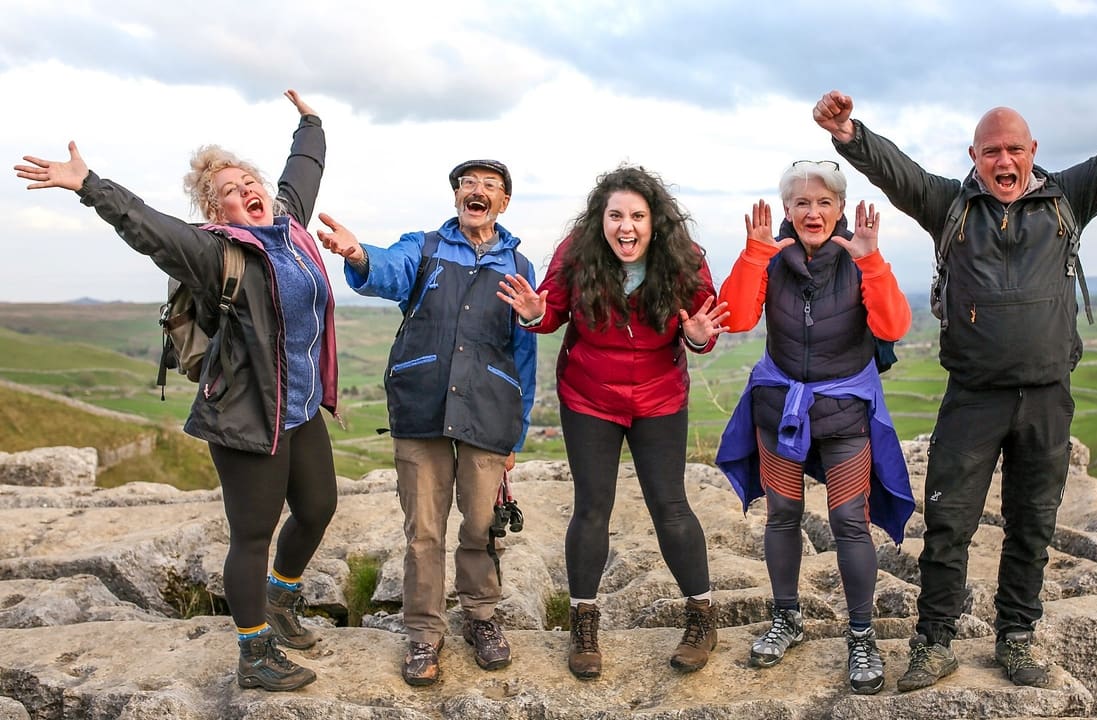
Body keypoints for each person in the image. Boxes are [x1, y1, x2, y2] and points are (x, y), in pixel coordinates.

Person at [812, 46, 1097, 691]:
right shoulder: (949, 207)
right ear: (974, 158)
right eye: (991, 151)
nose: (1004, 161)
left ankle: (1017, 637)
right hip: (973, 396)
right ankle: (935, 642)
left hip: (1047, 396)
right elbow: (898, 173)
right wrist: (850, 134)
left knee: (1032, 525)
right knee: (949, 522)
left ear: (1033, 150)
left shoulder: (1069, 197)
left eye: (1014, 150)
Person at [14, 91, 339, 692]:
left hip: (297, 408)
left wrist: (312, 122)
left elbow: (304, 168)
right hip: (245, 415)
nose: (244, 192)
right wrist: (89, 185)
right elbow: (148, 229)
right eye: (226, 194)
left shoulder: (289, 225)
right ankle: (254, 654)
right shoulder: (215, 252)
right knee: (251, 534)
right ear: (216, 212)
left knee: (318, 508)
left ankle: (282, 597)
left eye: (248, 182)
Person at [497, 164, 729, 679]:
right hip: (589, 395)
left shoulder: (683, 257)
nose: (627, 227)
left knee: (670, 506)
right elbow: (550, 310)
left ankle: (701, 616)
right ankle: (583, 620)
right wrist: (535, 312)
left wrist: (695, 334)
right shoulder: (577, 252)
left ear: (655, 221)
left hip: (659, 396)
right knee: (591, 507)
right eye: (616, 215)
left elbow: (703, 326)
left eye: (638, 216)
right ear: (600, 219)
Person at [315, 159, 535, 687]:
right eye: (466, 184)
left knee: (481, 526)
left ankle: (481, 618)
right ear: (455, 196)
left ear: (504, 203)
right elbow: (388, 270)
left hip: (487, 411)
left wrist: (516, 432)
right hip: (421, 408)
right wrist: (359, 254)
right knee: (424, 533)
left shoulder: (519, 265)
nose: (475, 191)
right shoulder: (426, 247)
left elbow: (523, 352)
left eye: (489, 186)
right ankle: (422, 633)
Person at [714, 161, 915, 694]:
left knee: (849, 521)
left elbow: (893, 325)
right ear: (785, 210)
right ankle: (786, 618)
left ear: (841, 209)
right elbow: (733, 317)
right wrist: (755, 253)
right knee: (782, 514)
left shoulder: (858, 260)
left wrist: (872, 263)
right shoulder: (773, 258)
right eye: (801, 202)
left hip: (846, 410)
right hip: (781, 407)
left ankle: (862, 635)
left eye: (824, 202)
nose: (813, 212)